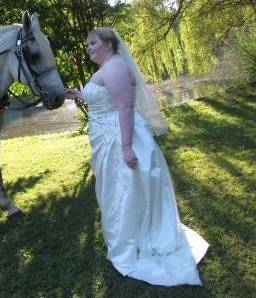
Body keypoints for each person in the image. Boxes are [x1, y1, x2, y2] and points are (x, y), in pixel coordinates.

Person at [64, 27, 209, 286]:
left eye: (92, 43)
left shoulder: (116, 67)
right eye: (87, 44)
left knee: (126, 191)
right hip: (108, 138)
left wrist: (127, 147)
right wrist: (80, 95)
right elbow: (104, 98)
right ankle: (129, 235)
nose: (88, 48)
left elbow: (125, 106)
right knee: (117, 191)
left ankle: (138, 239)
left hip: (120, 139)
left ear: (109, 44)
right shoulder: (108, 67)